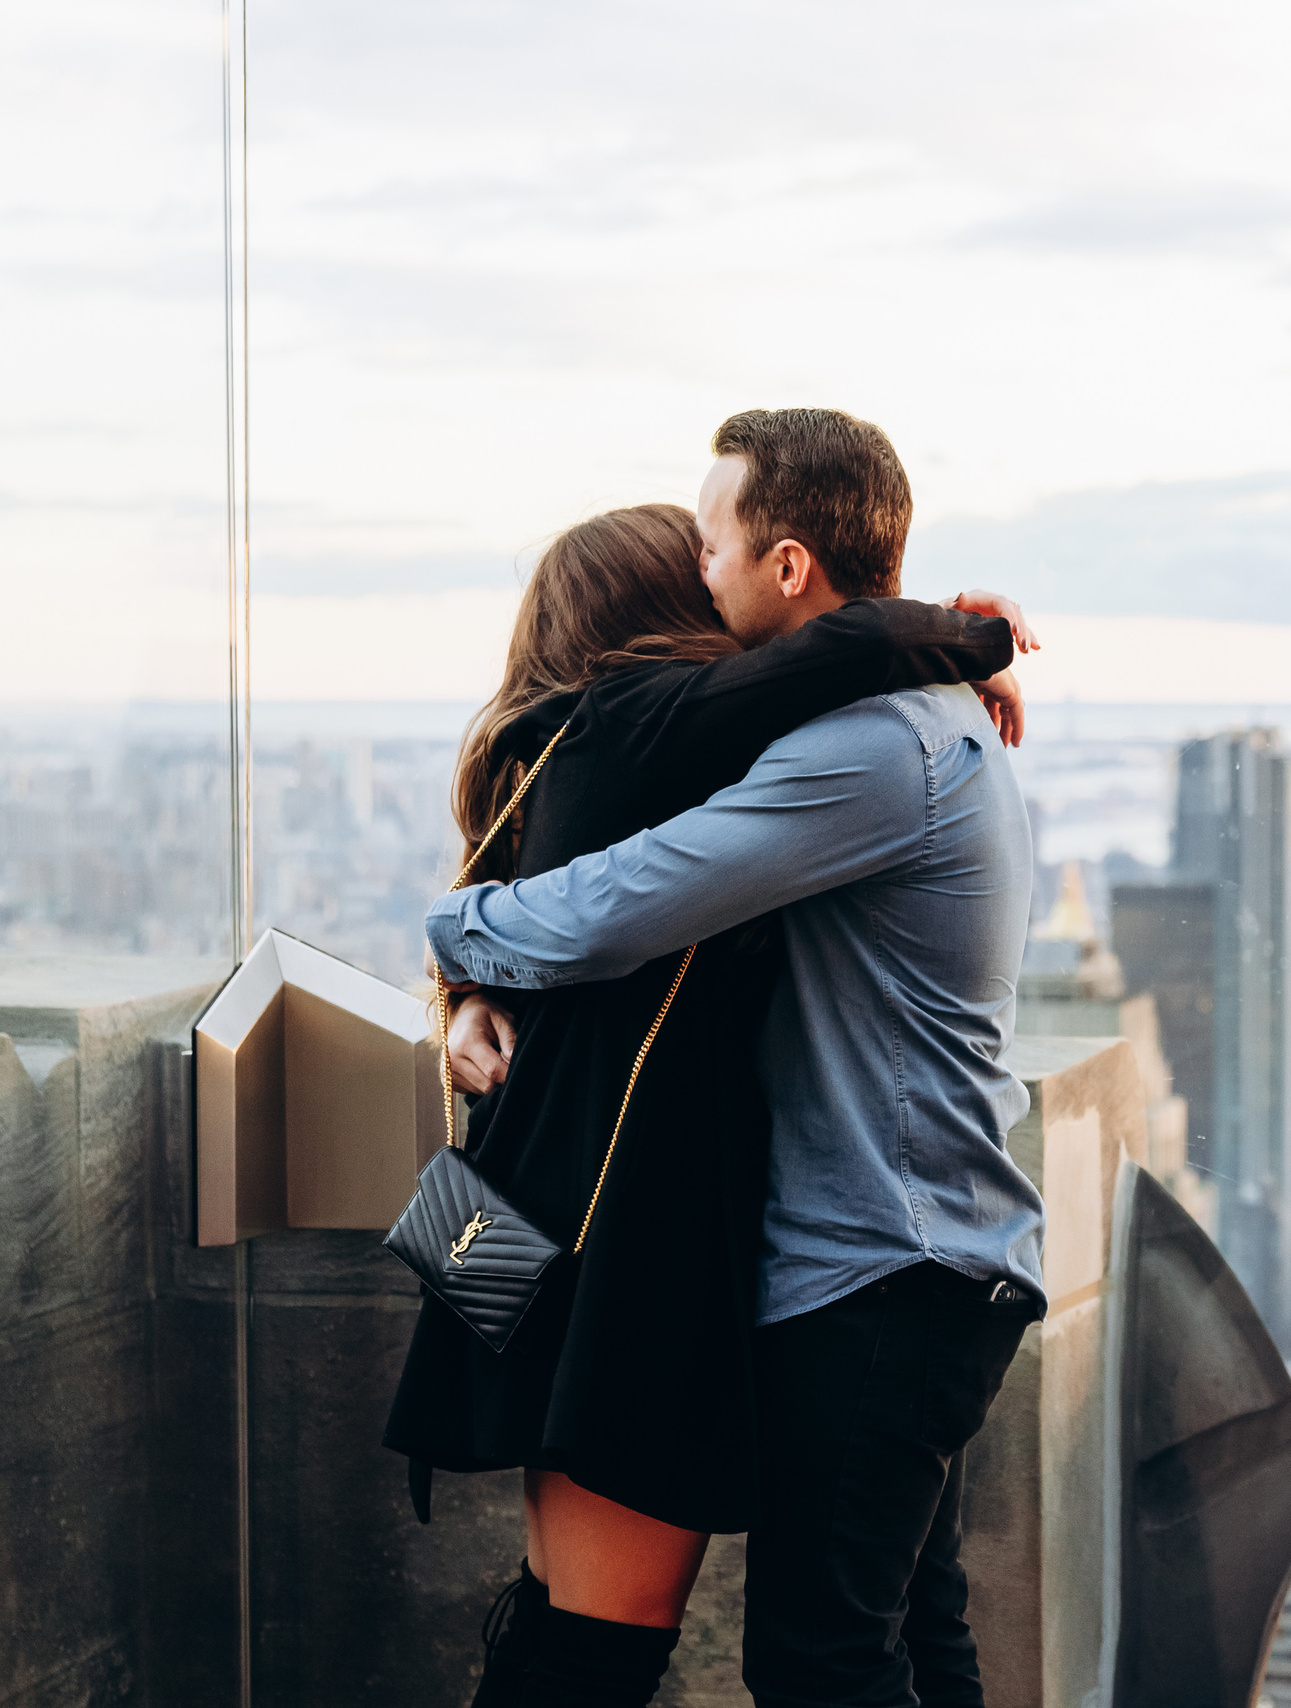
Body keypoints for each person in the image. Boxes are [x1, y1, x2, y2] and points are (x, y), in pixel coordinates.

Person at [425, 408, 1047, 1708]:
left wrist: (453, 952)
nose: (713, 578)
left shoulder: (607, 754)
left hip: (575, 1238)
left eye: (720, 548)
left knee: (682, 1641)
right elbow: (610, 916)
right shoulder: (671, 739)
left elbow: (600, 917)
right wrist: (955, 641)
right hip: (652, 1266)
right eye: (696, 559)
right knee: (713, 1646)